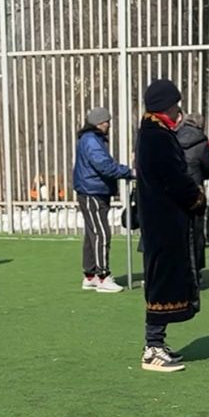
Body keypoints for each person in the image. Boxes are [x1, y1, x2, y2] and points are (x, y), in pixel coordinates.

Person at [135, 80, 206, 374]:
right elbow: (174, 177)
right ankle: (152, 346)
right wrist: (196, 198)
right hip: (163, 220)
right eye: (176, 104)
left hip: (160, 218)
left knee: (162, 277)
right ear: (166, 105)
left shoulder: (153, 132)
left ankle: (157, 342)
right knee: (162, 279)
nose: (179, 110)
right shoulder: (157, 136)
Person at [72, 108, 132, 293]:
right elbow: (105, 166)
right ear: (100, 123)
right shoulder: (91, 140)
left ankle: (90, 275)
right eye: (107, 122)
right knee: (101, 233)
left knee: (92, 234)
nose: (109, 125)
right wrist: (129, 172)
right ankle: (102, 276)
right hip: (93, 191)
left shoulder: (89, 139)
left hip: (91, 190)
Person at [176, 113, 209, 276]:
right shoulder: (201, 142)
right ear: (201, 125)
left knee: (177, 233)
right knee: (196, 231)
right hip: (194, 191)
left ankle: (177, 270)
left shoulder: (173, 138)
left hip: (175, 190)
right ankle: (195, 270)